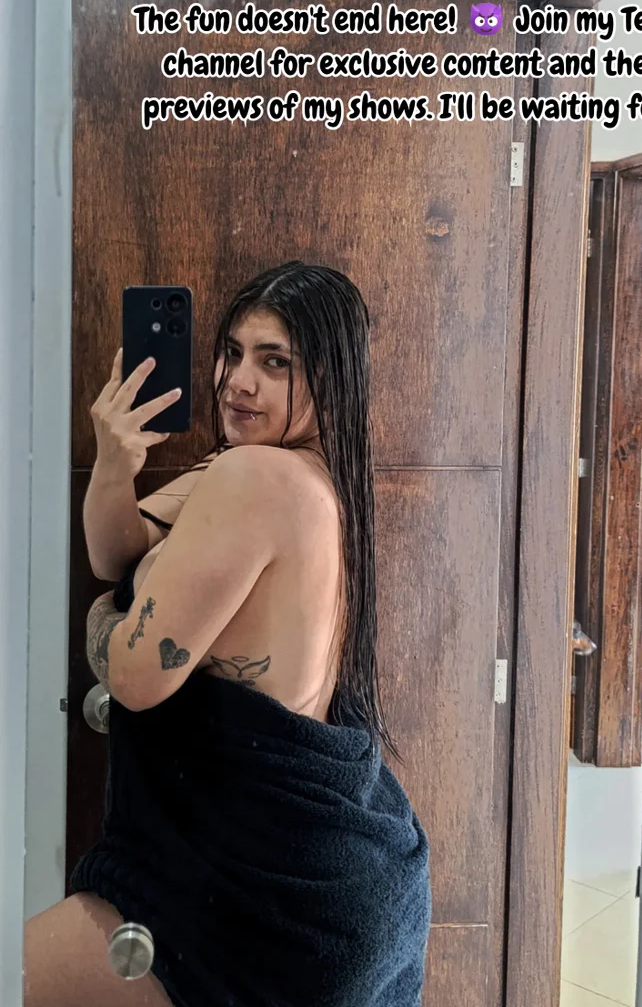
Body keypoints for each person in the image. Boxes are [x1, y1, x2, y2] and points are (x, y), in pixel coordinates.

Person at [24, 262, 432, 1007]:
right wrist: (115, 464)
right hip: (304, 880)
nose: (238, 382)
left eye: (275, 363)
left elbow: (136, 678)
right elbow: (116, 553)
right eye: (233, 353)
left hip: (249, 893)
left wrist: (103, 618)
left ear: (332, 378)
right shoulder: (303, 477)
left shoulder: (256, 482)